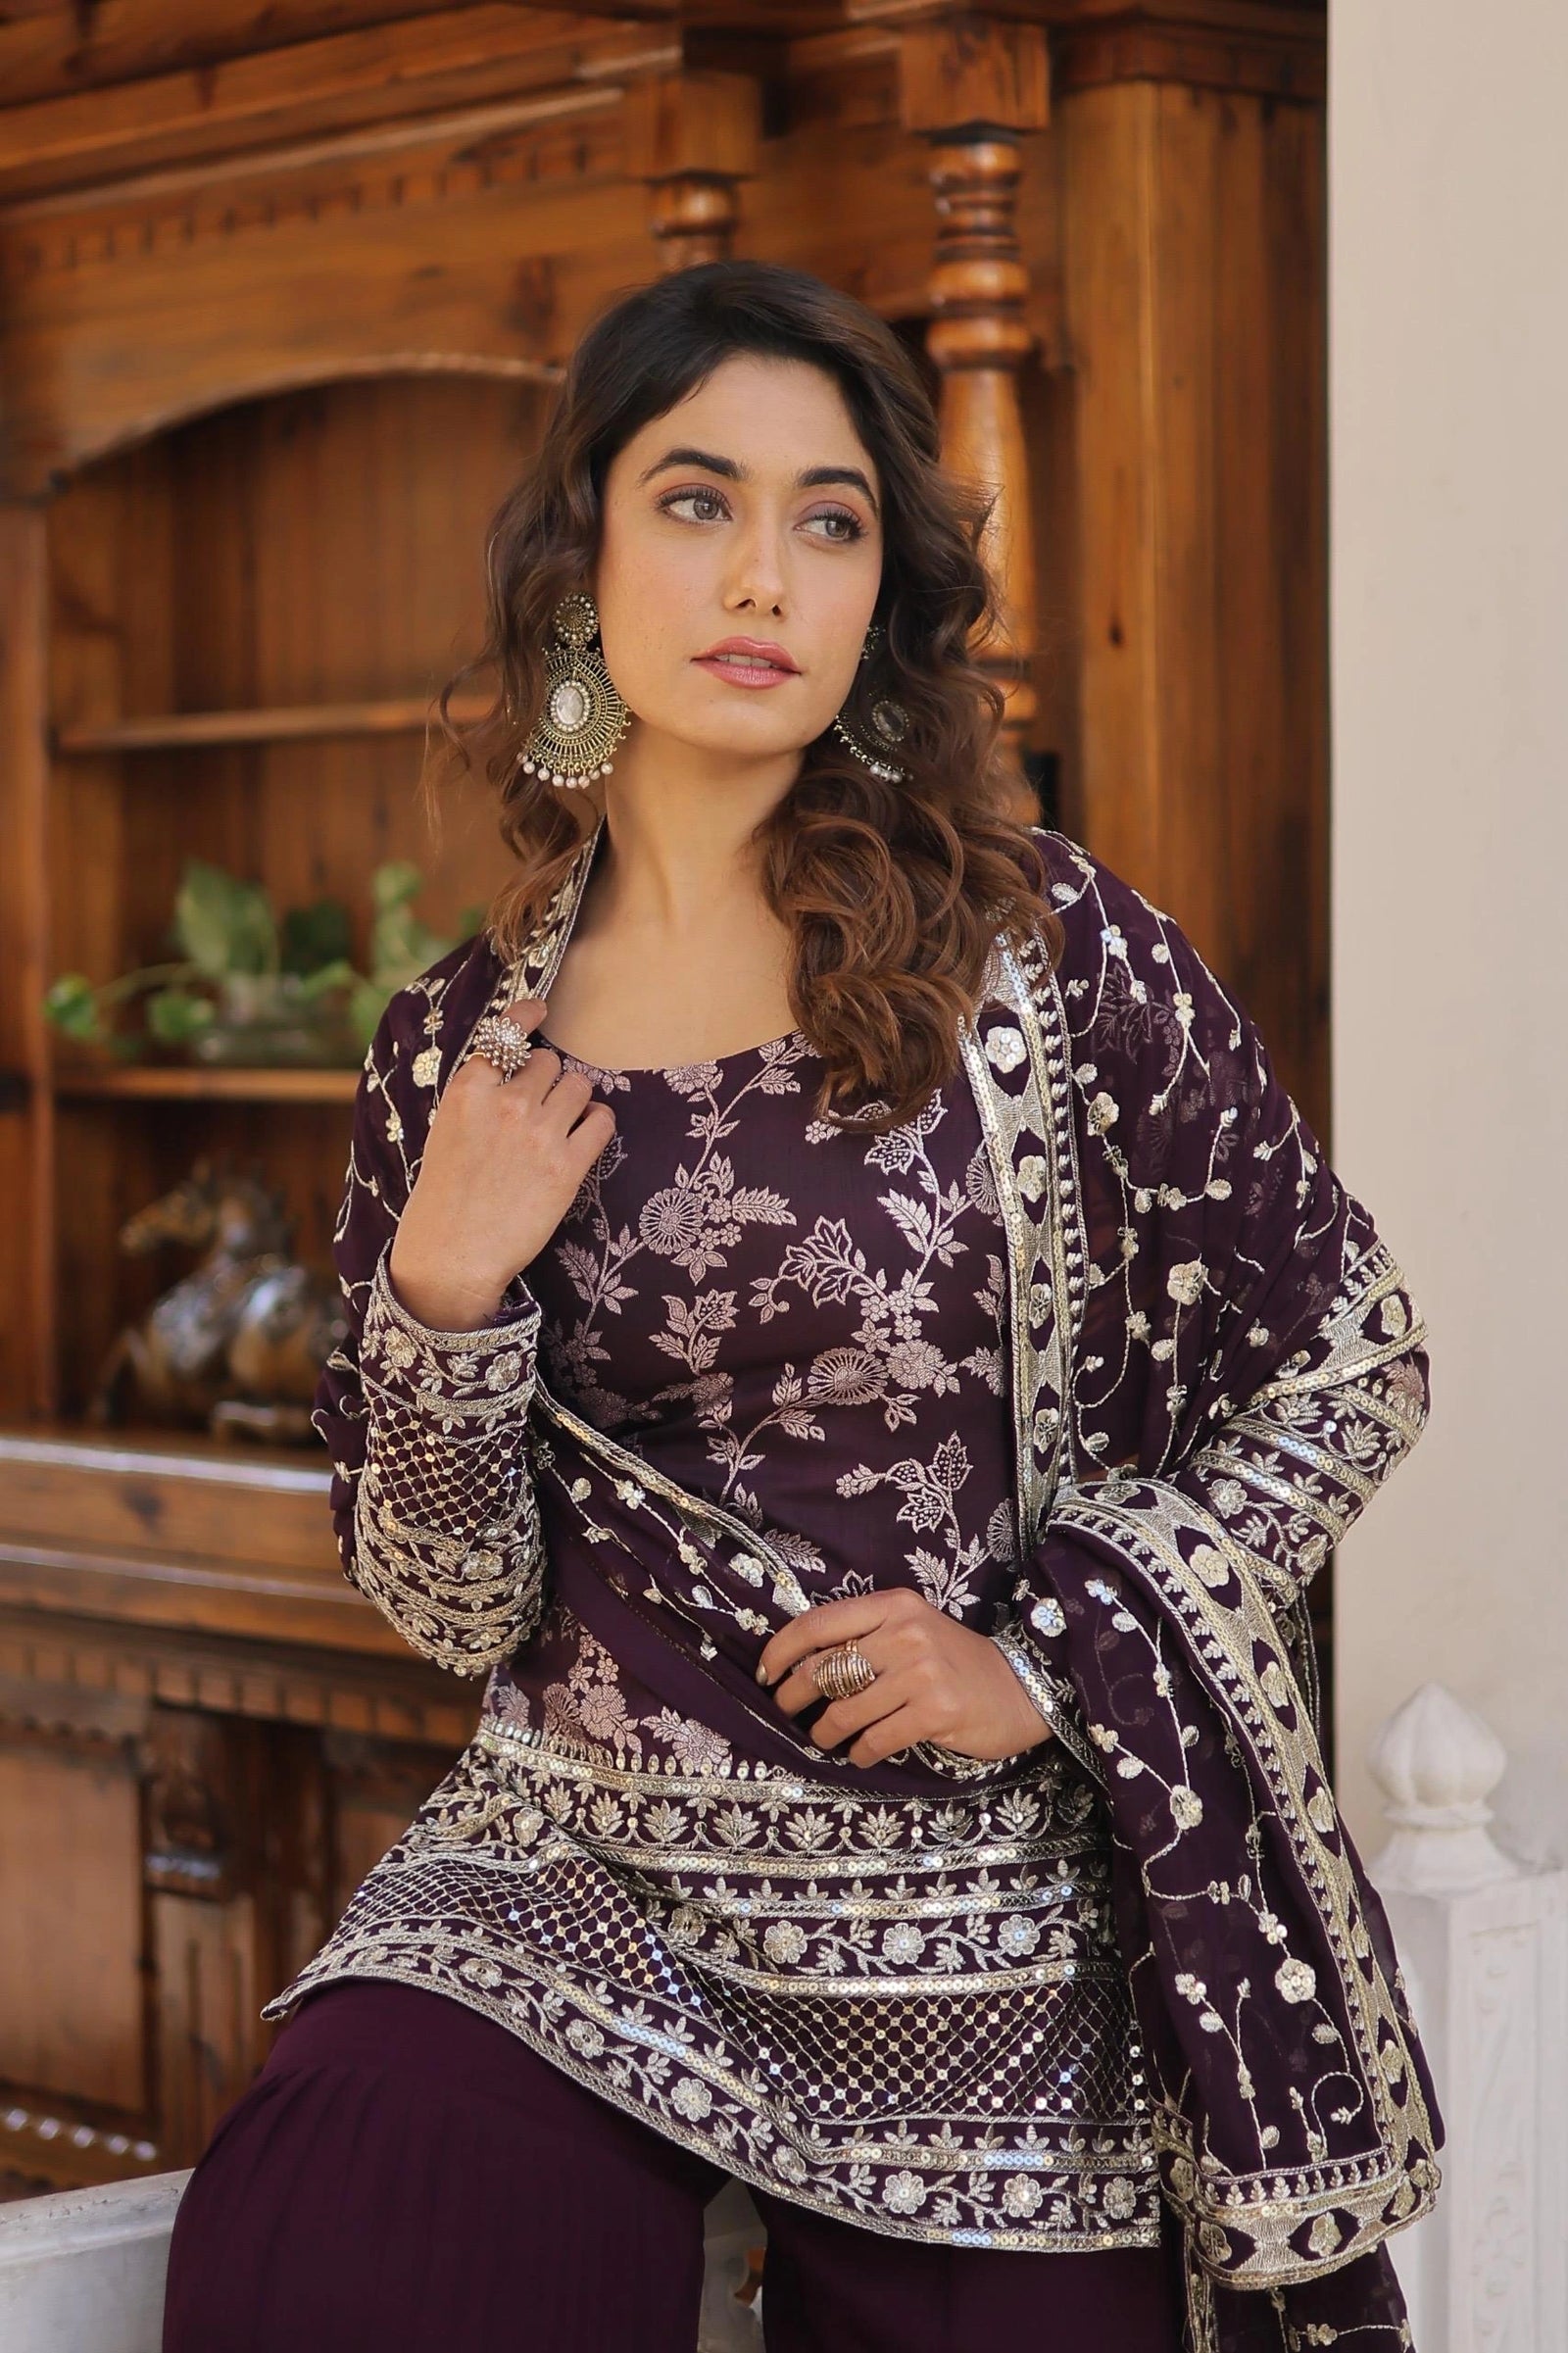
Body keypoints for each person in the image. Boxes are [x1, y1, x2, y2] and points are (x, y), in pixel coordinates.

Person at [162, 261, 1441, 2353]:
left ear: (875, 601)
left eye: (826, 520)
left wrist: (1046, 1659)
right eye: (697, 501)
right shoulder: (455, 1048)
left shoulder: (1048, 958)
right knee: (344, 2217)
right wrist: (443, 1286)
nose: (763, 571)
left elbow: (1349, 1361)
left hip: (977, 1909)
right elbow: (452, 1600)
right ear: (580, 565)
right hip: (573, 1877)